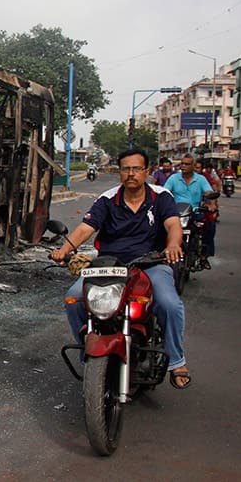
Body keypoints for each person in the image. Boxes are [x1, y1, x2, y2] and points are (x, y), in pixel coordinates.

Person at [52, 148, 191, 389]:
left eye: (137, 169)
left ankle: (176, 361)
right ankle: (87, 352)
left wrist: (173, 245)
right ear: (120, 172)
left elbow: (173, 225)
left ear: (146, 172)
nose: (131, 174)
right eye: (126, 169)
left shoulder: (161, 196)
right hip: (109, 265)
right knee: (73, 299)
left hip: (151, 264)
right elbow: (86, 228)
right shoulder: (107, 199)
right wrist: (64, 250)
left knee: (169, 304)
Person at [167, 157, 217, 265]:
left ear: (193, 166)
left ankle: (204, 256)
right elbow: (165, 192)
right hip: (176, 213)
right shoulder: (173, 178)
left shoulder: (201, 179)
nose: (183, 166)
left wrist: (211, 204)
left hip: (195, 212)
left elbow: (209, 192)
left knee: (209, 227)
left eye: (187, 164)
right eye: (182, 164)